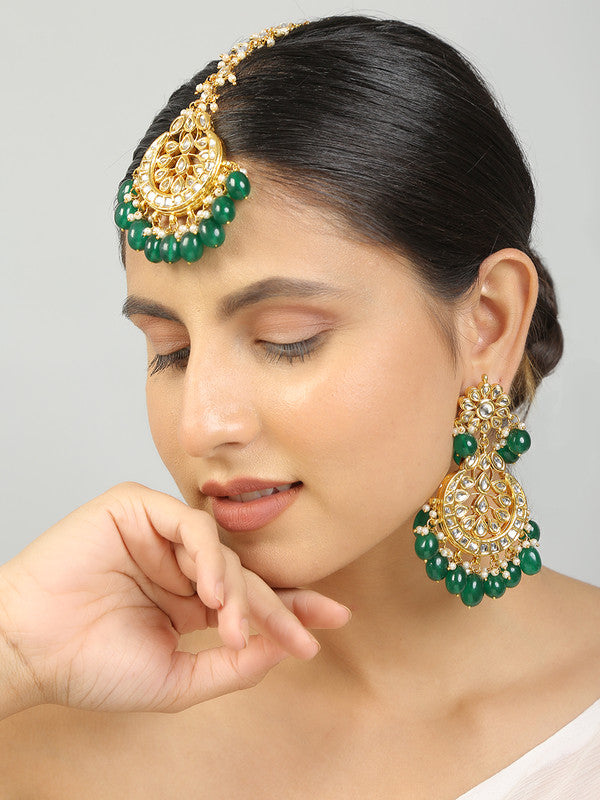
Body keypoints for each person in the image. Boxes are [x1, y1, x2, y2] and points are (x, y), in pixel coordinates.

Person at [1, 13, 599, 799]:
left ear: (488, 322)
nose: (202, 425)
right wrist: (10, 651)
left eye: (287, 340)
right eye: (170, 352)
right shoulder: (48, 729)